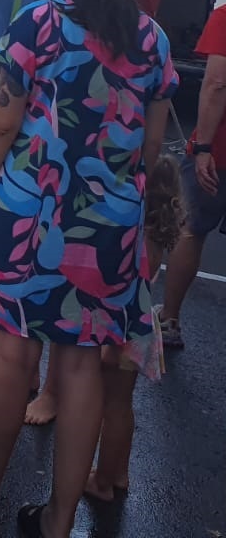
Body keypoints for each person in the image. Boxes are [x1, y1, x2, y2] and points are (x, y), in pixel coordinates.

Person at [0, 0, 177, 538]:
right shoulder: (152, 41)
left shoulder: (38, 24)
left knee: (13, 359)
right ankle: (57, 519)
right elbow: (151, 152)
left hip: (26, 218)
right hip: (107, 231)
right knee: (80, 370)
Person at [85, 153, 183, 503]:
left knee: (106, 406)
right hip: (140, 328)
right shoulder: (157, 235)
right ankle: (119, 473)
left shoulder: (130, 232)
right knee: (122, 406)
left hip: (117, 328)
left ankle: (101, 481)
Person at [158, 0, 226, 349]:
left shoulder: (224, 17)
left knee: (191, 230)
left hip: (218, 151)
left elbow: (217, 83)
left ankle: (169, 321)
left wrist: (201, 145)